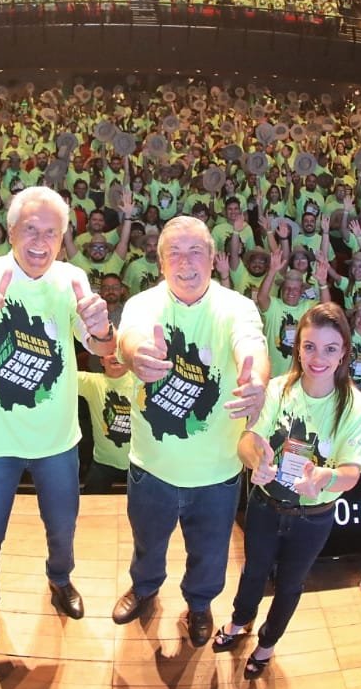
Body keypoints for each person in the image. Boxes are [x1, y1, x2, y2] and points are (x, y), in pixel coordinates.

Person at [0, 186, 114, 649]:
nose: (39, 241)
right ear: (11, 231)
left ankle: (60, 581)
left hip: (57, 440)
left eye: (50, 232)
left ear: (63, 237)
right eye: (30, 229)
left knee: (62, 527)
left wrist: (103, 331)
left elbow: (104, 350)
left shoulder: (74, 278)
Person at [113, 215, 268, 647]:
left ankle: (199, 605)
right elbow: (132, 338)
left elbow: (251, 345)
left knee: (210, 553)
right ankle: (144, 591)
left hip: (216, 472)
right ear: (161, 262)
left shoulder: (237, 306)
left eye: (195, 251)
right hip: (153, 466)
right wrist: (136, 353)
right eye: (174, 253)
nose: (185, 262)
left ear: (214, 259)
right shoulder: (143, 304)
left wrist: (255, 383)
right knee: (147, 544)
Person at [213, 303, 361, 679]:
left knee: (290, 585)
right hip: (267, 507)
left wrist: (323, 480)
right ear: (297, 347)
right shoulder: (278, 389)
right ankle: (240, 622)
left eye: (330, 348)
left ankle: (266, 643)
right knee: (253, 572)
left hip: (313, 518)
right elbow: (247, 442)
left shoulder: (356, 407)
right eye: (310, 346)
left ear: (344, 351)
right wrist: (257, 460)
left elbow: (351, 473)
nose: (319, 357)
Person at [78, 351, 136, 494]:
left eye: (120, 352)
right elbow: (62, 375)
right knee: (89, 506)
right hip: (103, 462)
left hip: (137, 463)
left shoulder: (141, 381)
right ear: (102, 361)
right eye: (110, 352)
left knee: (146, 511)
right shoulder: (92, 383)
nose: (115, 356)